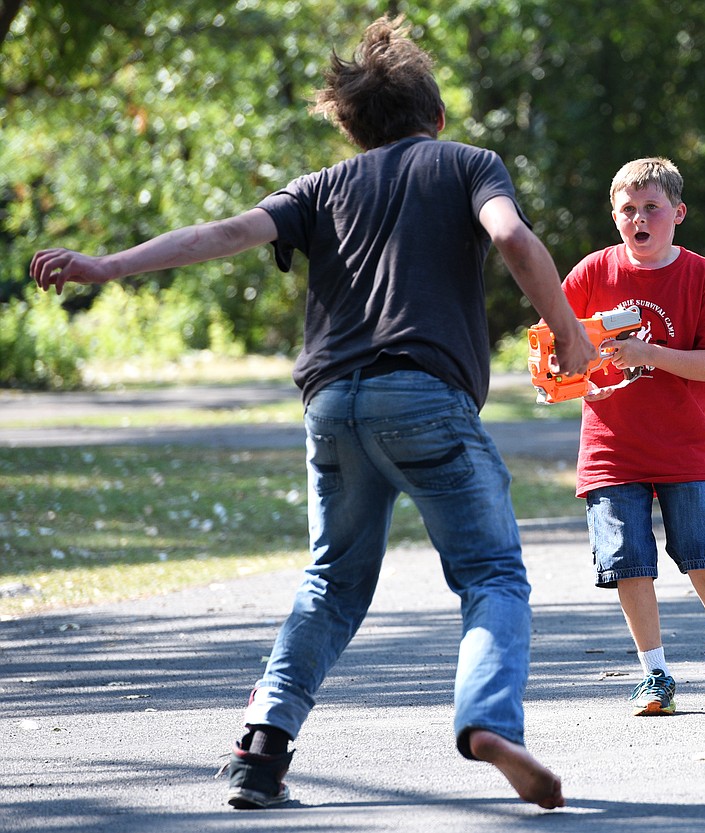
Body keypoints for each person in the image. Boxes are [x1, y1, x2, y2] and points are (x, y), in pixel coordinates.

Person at [30, 15, 594, 810]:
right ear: (435, 118)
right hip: (425, 397)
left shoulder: (320, 188)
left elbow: (222, 232)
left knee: (329, 582)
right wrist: (568, 331)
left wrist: (107, 266)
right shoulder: (468, 165)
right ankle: (489, 721)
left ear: (355, 129)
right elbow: (513, 240)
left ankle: (260, 751)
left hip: (331, 407)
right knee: (491, 571)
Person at [561, 157, 705, 716]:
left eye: (651, 209)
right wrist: (577, 384)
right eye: (628, 210)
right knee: (627, 558)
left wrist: (648, 355)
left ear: (678, 213)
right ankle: (655, 674)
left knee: (698, 547)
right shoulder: (592, 273)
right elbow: (558, 348)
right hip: (610, 448)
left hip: (682, 444)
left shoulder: (703, 276)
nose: (639, 219)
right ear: (614, 215)